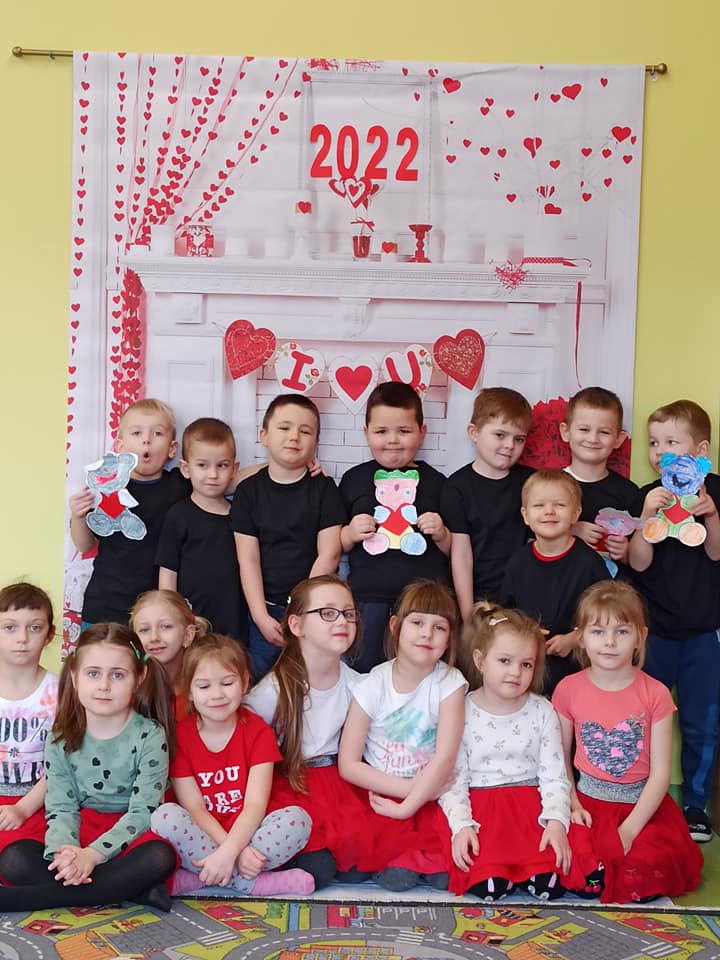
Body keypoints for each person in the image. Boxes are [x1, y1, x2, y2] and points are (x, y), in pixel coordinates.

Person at [0, 623, 178, 911]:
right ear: (74, 676)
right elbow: (62, 808)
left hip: (129, 831)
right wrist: (66, 853)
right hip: (78, 828)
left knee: (159, 857)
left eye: (117, 675)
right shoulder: (60, 738)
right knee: (14, 860)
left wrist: (93, 856)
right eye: (93, 673)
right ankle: (128, 890)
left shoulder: (151, 735)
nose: (104, 686)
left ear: (139, 677)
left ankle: (31, 898)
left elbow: (143, 812)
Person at [553, 580, 703, 903]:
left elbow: (660, 774)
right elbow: (559, 759)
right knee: (571, 861)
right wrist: (573, 804)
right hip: (587, 806)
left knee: (647, 865)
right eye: (598, 631)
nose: (609, 642)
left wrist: (630, 830)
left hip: (642, 808)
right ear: (580, 637)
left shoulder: (655, 693)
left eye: (622, 631)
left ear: (640, 637)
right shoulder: (567, 689)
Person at [439, 603, 588, 901]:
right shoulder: (460, 709)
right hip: (481, 811)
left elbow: (554, 776)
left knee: (551, 881)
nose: (515, 672)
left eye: (526, 665)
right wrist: (462, 826)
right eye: (504, 661)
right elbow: (453, 778)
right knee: (488, 884)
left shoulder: (542, 710)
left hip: (531, 811)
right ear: (480, 660)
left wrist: (556, 822)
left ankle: (534, 865)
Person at [151, 633, 314, 897]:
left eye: (227, 683)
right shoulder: (180, 738)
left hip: (250, 831)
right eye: (204, 686)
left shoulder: (258, 732)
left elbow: (255, 805)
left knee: (298, 820)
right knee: (164, 817)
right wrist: (232, 853)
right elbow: (194, 808)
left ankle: (202, 877)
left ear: (245, 682)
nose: (217, 695)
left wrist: (231, 850)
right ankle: (252, 884)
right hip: (203, 833)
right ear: (189, 691)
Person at [628, 399, 720, 842]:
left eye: (671, 442)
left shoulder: (714, 491)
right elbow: (638, 563)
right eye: (653, 443)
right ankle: (644, 796)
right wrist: (646, 515)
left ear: (700, 451)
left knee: (701, 722)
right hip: (656, 631)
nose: (660, 452)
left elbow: (716, 553)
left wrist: (711, 513)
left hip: (704, 632)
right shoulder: (647, 493)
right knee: (646, 717)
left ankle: (696, 803)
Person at [338, 580, 466, 891]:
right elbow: (348, 764)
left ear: (449, 638)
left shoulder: (450, 681)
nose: (427, 634)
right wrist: (407, 791)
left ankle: (418, 858)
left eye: (439, 627)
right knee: (396, 877)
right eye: (417, 623)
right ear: (395, 626)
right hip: (383, 794)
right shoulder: (373, 684)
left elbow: (445, 756)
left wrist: (411, 803)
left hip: (431, 797)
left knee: (446, 877)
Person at [245, 574, 369, 888]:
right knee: (320, 868)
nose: (341, 621)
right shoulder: (271, 692)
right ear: (297, 626)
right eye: (327, 612)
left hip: (339, 785)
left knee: (358, 868)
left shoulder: (360, 686)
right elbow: (244, 751)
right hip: (291, 784)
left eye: (348, 613)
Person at [232, 394, 345, 680]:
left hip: (312, 610)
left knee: (309, 682)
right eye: (284, 428)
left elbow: (329, 554)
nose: (294, 436)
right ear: (264, 435)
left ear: (315, 442)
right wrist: (260, 616)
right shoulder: (248, 492)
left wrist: (301, 609)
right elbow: (248, 559)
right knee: (259, 685)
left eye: (305, 431)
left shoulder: (324, 489)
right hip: (264, 609)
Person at [339, 383, 451, 671]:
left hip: (424, 604)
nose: (392, 440)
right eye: (381, 432)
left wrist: (441, 533)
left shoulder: (438, 483)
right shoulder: (353, 479)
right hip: (368, 600)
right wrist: (350, 533)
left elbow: (456, 548)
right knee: (365, 672)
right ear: (366, 433)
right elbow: (335, 543)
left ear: (422, 433)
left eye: (403, 431)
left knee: (422, 674)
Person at [69, 399, 190, 626]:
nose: (146, 440)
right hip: (105, 606)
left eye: (157, 433)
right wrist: (78, 516)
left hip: (156, 615)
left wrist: (265, 468)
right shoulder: (106, 487)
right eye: (136, 433)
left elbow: (226, 481)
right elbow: (85, 545)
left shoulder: (180, 485)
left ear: (172, 449)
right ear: (120, 446)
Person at [501, 469, 609, 694]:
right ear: (525, 515)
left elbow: (608, 616)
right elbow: (507, 614)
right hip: (529, 673)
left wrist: (575, 639)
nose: (549, 511)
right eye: (539, 505)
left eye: (559, 505)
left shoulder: (589, 563)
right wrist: (525, 631)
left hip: (579, 670)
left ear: (575, 514)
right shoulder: (518, 562)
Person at [442, 387, 533, 622]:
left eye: (519, 439)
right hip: (479, 600)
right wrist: (467, 615)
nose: (510, 445)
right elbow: (461, 556)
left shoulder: (531, 482)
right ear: (474, 432)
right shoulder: (456, 487)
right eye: (500, 435)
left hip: (523, 599)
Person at [157, 417, 249, 645]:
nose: (213, 474)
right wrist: (173, 618)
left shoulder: (241, 516)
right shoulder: (178, 515)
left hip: (234, 624)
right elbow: (168, 574)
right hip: (192, 625)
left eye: (222, 465)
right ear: (186, 469)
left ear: (234, 469)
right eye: (202, 465)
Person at [0, 583, 58, 853]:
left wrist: (23, 808)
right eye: (10, 627)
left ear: (49, 634)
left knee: (20, 859)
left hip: (38, 801)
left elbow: (64, 764)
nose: (22, 638)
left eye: (34, 627)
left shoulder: (60, 692)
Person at [559, 387, 638, 573]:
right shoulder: (547, 486)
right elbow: (531, 541)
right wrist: (570, 530)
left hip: (609, 588)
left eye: (604, 432)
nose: (593, 438)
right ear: (566, 431)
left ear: (619, 439)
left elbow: (638, 559)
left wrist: (625, 552)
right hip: (560, 585)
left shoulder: (629, 493)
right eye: (584, 429)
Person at [130, 589, 209, 721]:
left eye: (165, 627)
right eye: (144, 630)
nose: (154, 637)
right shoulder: (130, 688)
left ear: (188, 635)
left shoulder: (206, 686)